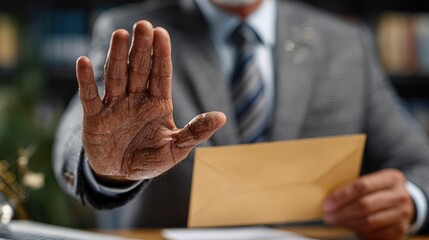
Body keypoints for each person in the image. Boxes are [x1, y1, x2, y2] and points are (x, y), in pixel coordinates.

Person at [53, 0, 429, 238]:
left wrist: (410, 200)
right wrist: (104, 168)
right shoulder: (132, 27)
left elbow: (420, 162)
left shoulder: (347, 41)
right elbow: (78, 135)